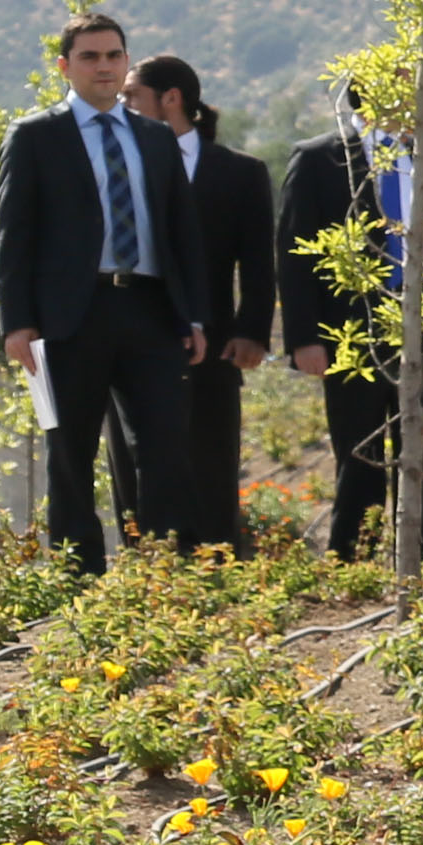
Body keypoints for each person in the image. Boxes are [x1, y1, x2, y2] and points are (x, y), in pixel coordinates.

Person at [0, 15, 204, 573]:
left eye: (114, 55)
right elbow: (14, 235)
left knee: (163, 449)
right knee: (72, 454)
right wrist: (17, 323)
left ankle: (160, 577)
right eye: (90, 57)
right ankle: (78, 581)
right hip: (70, 316)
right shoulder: (36, 135)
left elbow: (183, 234)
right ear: (65, 66)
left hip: (151, 310)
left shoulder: (156, 138)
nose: (105, 66)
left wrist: (195, 317)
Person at [279, 96, 423, 561]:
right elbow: (293, 252)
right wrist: (304, 338)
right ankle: (354, 559)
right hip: (353, 331)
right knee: (359, 450)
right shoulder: (320, 159)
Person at [115, 56, 273, 551]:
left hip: (218, 342)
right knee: (138, 457)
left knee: (210, 454)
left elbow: (257, 259)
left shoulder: (239, 173)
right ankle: (147, 565)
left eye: (131, 97)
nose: (122, 107)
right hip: (133, 337)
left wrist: (252, 331)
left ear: (171, 99)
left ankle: (217, 563)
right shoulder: (120, 166)